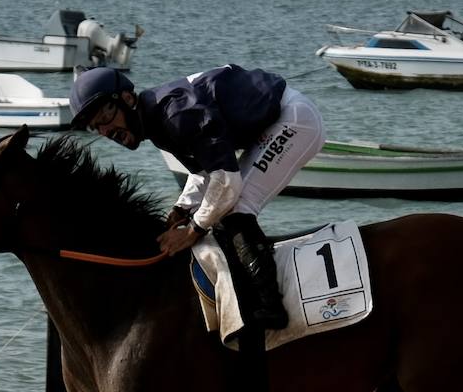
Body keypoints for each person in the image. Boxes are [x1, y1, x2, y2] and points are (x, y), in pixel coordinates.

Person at [69, 65, 326, 330]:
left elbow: (226, 181)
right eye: (94, 126)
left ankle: (271, 307)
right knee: (218, 210)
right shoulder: (157, 121)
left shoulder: (175, 116)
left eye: (105, 116)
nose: (105, 130)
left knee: (235, 207)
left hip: (293, 120)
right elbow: (204, 173)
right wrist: (181, 209)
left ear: (126, 99)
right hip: (273, 120)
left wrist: (192, 230)